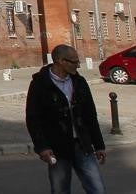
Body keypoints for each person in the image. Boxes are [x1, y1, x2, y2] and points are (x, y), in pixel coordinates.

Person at [25, 44, 107, 194]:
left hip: (82, 144)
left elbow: (90, 115)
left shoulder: (79, 82)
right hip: (57, 147)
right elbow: (33, 118)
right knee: (60, 189)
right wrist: (42, 146)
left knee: (97, 188)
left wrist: (99, 145)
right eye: (74, 61)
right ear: (60, 61)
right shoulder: (40, 84)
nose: (78, 65)